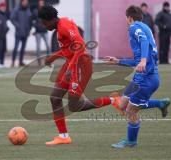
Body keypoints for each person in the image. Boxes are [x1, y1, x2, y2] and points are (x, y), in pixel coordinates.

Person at [38, 5, 122, 146]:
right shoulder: (59, 28)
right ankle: (63, 136)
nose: (44, 26)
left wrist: (71, 68)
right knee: (55, 98)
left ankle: (113, 100)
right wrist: (53, 57)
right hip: (72, 64)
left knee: (74, 105)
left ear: (52, 20)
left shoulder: (64, 26)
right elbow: (69, 49)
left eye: (44, 22)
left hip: (81, 65)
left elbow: (81, 46)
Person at [104, 6, 171, 148]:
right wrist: (118, 61)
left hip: (147, 78)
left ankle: (131, 141)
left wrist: (143, 61)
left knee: (130, 110)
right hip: (141, 76)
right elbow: (136, 60)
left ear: (129, 17)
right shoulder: (145, 27)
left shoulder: (135, 27)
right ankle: (160, 103)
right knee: (122, 105)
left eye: (125, 18)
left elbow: (144, 42)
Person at [10, 0, 32, 67]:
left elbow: (30, 19)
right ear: (21, 2)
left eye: (26, 2)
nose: (25, 3)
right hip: (18, 32)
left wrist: (29, 28)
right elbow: (12, 18)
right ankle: (13, 62)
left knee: (23, 48)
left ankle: (20, 61)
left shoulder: (28, 10)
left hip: (26, 32)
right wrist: (17, 26)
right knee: (16, 47)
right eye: (24, 2)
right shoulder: (17, 9)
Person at [31, 0, 50, 66]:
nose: (41, 4)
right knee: (38, 48)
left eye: (42, 2)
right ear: (38, 3)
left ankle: (48, 60)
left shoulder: (46, 11)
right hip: (38, 31)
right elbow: (31, 20)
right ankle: (39, 62)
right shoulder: (35, 11)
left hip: (45, 31)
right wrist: (35, 26)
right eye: (40, 2)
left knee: (48, 46)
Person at [0, 2, 9, 67]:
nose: (4, 8)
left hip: (4, 34)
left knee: (3, 49)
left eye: (5, 7)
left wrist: (7, 29)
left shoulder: (5, 15)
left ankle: (2, 62)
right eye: (3, 7)